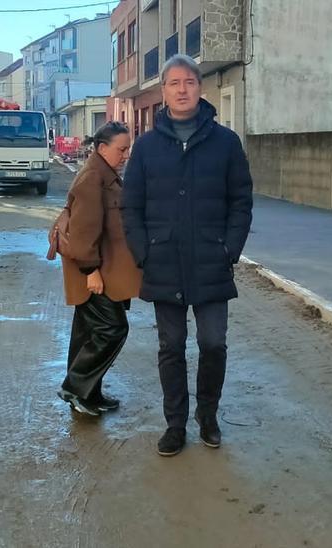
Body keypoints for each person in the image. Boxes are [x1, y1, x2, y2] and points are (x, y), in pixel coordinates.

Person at [121, 55, 253, 457]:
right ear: (163, 92)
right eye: (174, 83)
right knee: (171, 346)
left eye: (189, 82)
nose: (182, 89)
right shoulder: (145, 148)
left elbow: (241, 201)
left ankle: (208, 416)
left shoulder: (226, 143)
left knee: (214, 343)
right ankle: (175, 424)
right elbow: (131, 207)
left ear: (200, 88)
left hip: (212, 261)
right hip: (164, 263)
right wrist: (144, 252)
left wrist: (230, 247)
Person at [57, 122, 142, 416]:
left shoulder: (105, 175)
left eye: (127, 148)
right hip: (94, 273)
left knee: (88, 331)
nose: (126, 155)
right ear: (102, 148)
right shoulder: (93, 178)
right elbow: (83, 230)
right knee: (112, 329)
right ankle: (75, 387)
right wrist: (90, 272)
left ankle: (89, 394)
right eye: (122, 149)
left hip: (104, 270)